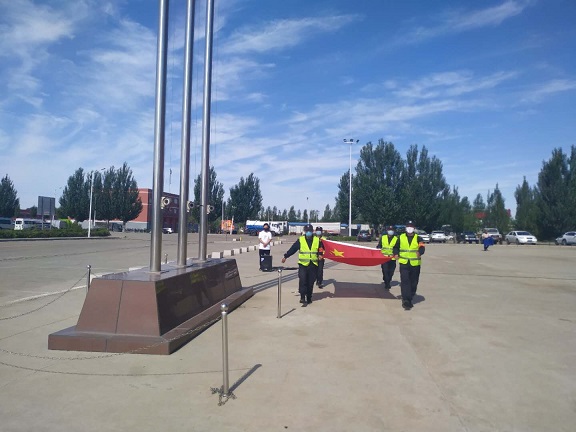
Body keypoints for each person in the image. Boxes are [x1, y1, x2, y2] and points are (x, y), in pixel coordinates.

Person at [281, 224, 323, 307]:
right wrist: (286, 256)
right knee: (303, 280)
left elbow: (320, 249)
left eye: (310, 231)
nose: (308, 232)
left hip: (313, 264)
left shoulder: (317, 240)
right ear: (305, 231)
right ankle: (302, 297)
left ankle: (309, 297)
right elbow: (293, 249)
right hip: (303, 265)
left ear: (312, 231)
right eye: (307, 231)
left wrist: (320, 254)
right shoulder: (301, 240)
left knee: (310, 282)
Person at [393, 221, 425, 311]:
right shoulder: (400, 237)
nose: (409, 228)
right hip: (404, 263)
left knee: (414, 282)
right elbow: (395, 247)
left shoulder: (418, 238)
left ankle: (411, 295)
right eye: (408, 226)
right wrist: (396, 253)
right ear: (406, 227)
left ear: (414, 228)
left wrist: (420, 252)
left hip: (415, 263)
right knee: (405, 281)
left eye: (411, 226)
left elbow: (422, 247)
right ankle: (406, 300)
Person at [376, 225, 398, 289]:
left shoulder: (396, 239)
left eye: (392, 230)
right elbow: (379, 245)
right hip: (384, 258)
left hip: (392, 258)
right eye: (389, 230)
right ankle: (387, 283)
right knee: (385, 271)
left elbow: (398, 247)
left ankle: (388, 280)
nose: (390, 231)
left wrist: (397, 254)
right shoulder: (383, 237)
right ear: (387, 231)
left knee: (391, 272)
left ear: (394, 231)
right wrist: (377, 248)